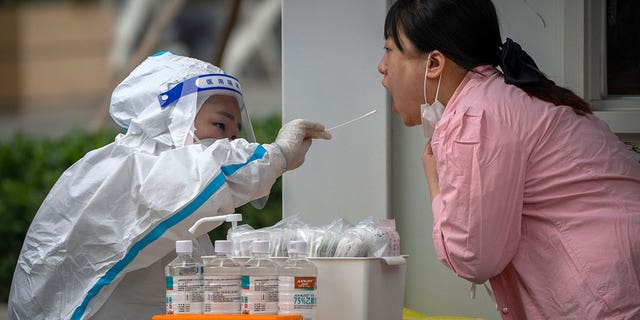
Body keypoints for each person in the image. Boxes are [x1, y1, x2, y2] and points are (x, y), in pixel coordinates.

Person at [8, 52, 331, 320]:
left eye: (233, 134)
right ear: (170, 119)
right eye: (219, 125)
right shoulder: (129, 169)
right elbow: (205, 174)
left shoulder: (149, 168)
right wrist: (276, 155)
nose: (228, 141)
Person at [377, 0, 640, 319]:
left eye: (390, 49)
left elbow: (473, 259)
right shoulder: (501, 96)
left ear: (434, 63)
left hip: (609, 298)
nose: (382, 66)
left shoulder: (473, 119)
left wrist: (435, 184)